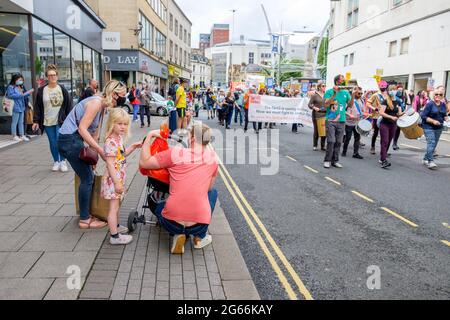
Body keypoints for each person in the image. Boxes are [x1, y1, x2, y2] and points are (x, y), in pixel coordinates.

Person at [58, 80, 128, 230]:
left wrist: (93, 156)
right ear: (113, 94)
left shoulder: (102, 107)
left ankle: (87, 213)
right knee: (87, 178)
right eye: (120, 96)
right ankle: (84, 219)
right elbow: (83, 129)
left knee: (88, 175)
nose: (121, 100)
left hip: (73, 140)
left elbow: (95, 134)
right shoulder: (96, 103)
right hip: (69, 140)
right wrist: (101, 151)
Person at [139, 123, 219, 254]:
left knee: (155, 201)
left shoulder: (175, 153)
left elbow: (144, 163)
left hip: (171, 222)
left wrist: (149, 136)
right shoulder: (213, 158)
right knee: (213, 193)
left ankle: (178, 233)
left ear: (192, 138)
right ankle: (199, 237)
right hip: (199, 224)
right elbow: (208, 188)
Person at [101, 108, 142, 245]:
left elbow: (121, 157)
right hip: (114, 180)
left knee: (116, 206)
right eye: (119, 124)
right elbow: (111, 164)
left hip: (117, 178)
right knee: (113, 208)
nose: (123, 127)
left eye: (125, 124)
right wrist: (117, 183)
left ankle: (116, 227)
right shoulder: (110, 142)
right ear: (112, 123)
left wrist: (133, 147)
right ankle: (114, 236)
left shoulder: (117, 139)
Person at [33, 64, 72, 172]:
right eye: (50, 75)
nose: (52, 77)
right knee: (52, 142)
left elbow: (69, 105)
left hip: (61, 120)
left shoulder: (62, 89)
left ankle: (63, 161)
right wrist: (36, 121)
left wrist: (70, 120)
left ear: (57, 76)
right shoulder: (42, 90)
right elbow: (37, 106)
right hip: (47, 120)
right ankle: (56, 161)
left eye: (54, 75)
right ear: (47, 77)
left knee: (60, 140)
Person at [323, 74, 355, 169]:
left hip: (341, 120)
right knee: (331, 141)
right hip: (331, 120)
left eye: (344, 81)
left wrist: (352, 95)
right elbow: (326, 104)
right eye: (342, 80)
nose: (343, 82)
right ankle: (327, 160)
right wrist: (334, 94)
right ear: (337, 81)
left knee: (338, 142)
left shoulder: (345, 93)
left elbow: (350, 105)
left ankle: (335, 160)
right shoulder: (329, 91)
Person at [421, 86, 449, 170]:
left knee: (433, 145)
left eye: (440, 94)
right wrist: (433, 121)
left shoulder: (443, 104)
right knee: (431, 143)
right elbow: (423, 115)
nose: (438, 96)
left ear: (442, 96)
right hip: (428, 127)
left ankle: (425, 158)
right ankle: (430, 161)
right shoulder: (430, 104)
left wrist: (446, 118)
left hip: (439, 127)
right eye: (436, 94)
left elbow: (444, 114)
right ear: (434, 95)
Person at [378, 85, 404, 169]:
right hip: (384, 124)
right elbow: (381, 112)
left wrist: (404, 113)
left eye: (394, 90)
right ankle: (383, 160)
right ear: (388, 91)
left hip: (393, 125)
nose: (393, 91)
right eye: (391, 90)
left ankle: (383, 157)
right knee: (384, 141)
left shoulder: (398, 101)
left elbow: (399, 114)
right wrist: (391, 117)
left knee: (388, 142)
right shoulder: (385, 101)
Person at [6, 73, 34, 142]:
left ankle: (22, 135)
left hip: (22, 106)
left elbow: (23, 96)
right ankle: (14, 135)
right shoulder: (10, 87)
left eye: (21, 80)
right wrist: (25, 94)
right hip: (15, 106)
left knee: (21, 122)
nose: (21, 81)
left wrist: (27, 94)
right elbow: (11, 95)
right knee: (14, 122)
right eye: (19, 79)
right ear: (15, 79)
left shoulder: (20, 86)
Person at [342, 86, 364, 159]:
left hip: (357, 122)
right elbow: (343, 110)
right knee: (348, 138)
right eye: (358, 93)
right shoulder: (348, 100)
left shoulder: (362, 100)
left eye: (361, 93)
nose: (360, 95)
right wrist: (349, 115)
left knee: (357, 138)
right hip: (349, 122)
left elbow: (361, 110)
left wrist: (364, 114)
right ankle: (344, 151)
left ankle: (355, 153)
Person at [367, 82, 388, 155]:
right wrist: (374, 108)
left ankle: (383, 151)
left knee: (384, 134)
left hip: (384, 116)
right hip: (376, 116)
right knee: (375, 132)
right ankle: (372, 147)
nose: (383, 88)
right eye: (382, 87)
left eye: (384, 87)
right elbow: (368, 103)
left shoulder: (387, 95)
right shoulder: (375, 95)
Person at [308, 82, 327, 150]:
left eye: (325, 86)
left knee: (324, 130)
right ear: (319, 87)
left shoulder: (326, 95)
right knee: (317, 130)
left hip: (325, 114)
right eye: (323, 86)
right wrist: (314, 107)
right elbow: (309, 104)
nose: (324, 87)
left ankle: (323, 146)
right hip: (317, 114)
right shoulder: (315, 95)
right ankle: (315, 145)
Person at [392, 84, 408, 150]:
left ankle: (394, 143)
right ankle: (392, 143)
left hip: (402, 115)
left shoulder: (403, 98)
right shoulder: (394, 98)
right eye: (399, 90)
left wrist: (406, 94)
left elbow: (408, 103)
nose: (400, 92)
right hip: (396, 115)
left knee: (398, 130)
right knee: (394, 129)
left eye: (401, 90)